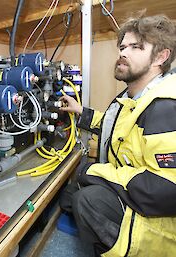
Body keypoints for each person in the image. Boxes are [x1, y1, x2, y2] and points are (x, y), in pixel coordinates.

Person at [59, 15, 176, 257]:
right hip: (127, 184)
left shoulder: (165, 106)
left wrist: (96, 172)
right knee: (69, 196)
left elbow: (165, 188)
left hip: (157, 218)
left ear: (161, 57)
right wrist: (80, 111)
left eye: (136, 47)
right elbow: (115, 127)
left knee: (87, 201)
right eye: (123, 46)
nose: (124, 52)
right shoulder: (132, 98)